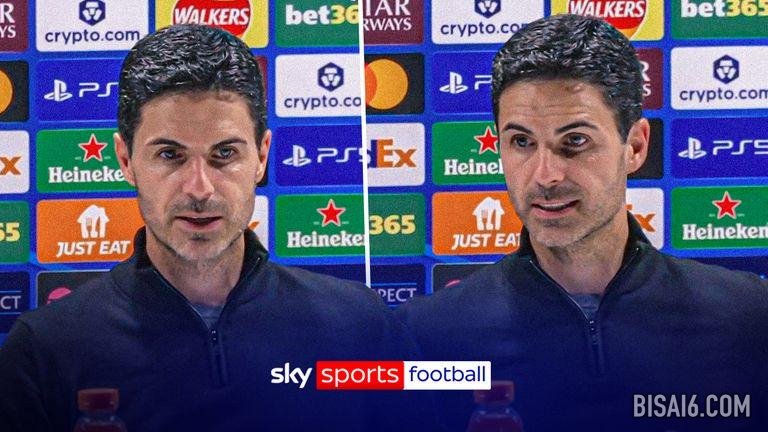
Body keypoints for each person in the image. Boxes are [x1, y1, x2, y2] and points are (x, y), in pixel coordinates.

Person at [0, 24, 426, 431]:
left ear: (261, 156)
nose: (199, 188)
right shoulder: (45, 351)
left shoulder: (360, 327)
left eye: (224, 154)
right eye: (170, 155)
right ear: (125, 160)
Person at [396, 14, 768, 432]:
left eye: (574, 141)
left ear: (635, 146)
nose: (545, 175)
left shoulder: (747, 319)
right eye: (521, 142)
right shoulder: (427, 336)